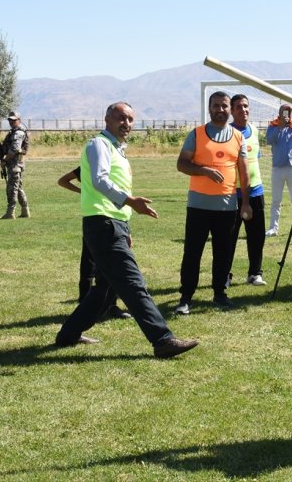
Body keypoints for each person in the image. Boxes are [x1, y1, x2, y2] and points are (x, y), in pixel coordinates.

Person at [55, 102, 197, 359]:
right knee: (133, 283)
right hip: (103, 224)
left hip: (112, 223)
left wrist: (125, 224)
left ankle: (68, 334)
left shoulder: (117, 150)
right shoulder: (99, 144)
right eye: (121, 118)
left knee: (105, 289)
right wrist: (130, 202)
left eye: (131, 119)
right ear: (107, 118)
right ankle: (162, 340)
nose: (127, 124)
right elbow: (100, 180)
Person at [175, 91, 252, 313]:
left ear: (230, 109)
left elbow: (244, 174)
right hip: (198, 206)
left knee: (223, 252)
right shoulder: (197, 134)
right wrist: (204, 171)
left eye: (224, 106)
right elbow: (181, 164)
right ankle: (186, 298)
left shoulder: (239, 137)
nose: (220, 110)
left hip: (227, 207)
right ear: (209, 109)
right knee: (192, 252)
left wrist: (245, 202)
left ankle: (219, 293)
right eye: (216, 106)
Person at [57, 166, 131, 320]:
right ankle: (85, 304)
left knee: (112, 265)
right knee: (89, 264)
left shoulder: (114, 166)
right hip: (95, 218)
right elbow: (63, 181)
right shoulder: (89, 166)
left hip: (115, 218)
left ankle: (111, 305)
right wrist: (83, 191)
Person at [229, 94, 267, 286]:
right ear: (231, 111)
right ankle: (224, 274)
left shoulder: (253, 130)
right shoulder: (227, 133)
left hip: (256, 192)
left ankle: (255, 273)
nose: (243, 110)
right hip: (232, 193)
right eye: (238, 107)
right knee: (229, 237)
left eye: (245, 106)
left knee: (257, 236)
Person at [265, 104, 292, 237]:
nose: (286, 115)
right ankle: (273, 228)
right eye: (284, 112)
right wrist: (280, 127)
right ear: (279, 113)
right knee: (276, 200)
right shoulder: (273, 126)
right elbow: (269, 140)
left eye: (288, 112)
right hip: (277, 169)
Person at [0, 111, 30, 219]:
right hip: (14, 164)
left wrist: (5, 160)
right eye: (10, 120)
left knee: (12, 189)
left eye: (14, 120)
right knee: (18, 188)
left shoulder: (18, 133)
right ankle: (25, 211)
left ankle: (10, 212)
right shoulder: (13, 132)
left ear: (19, 120)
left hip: (15, 164)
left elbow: (14, 149)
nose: (11, 122)